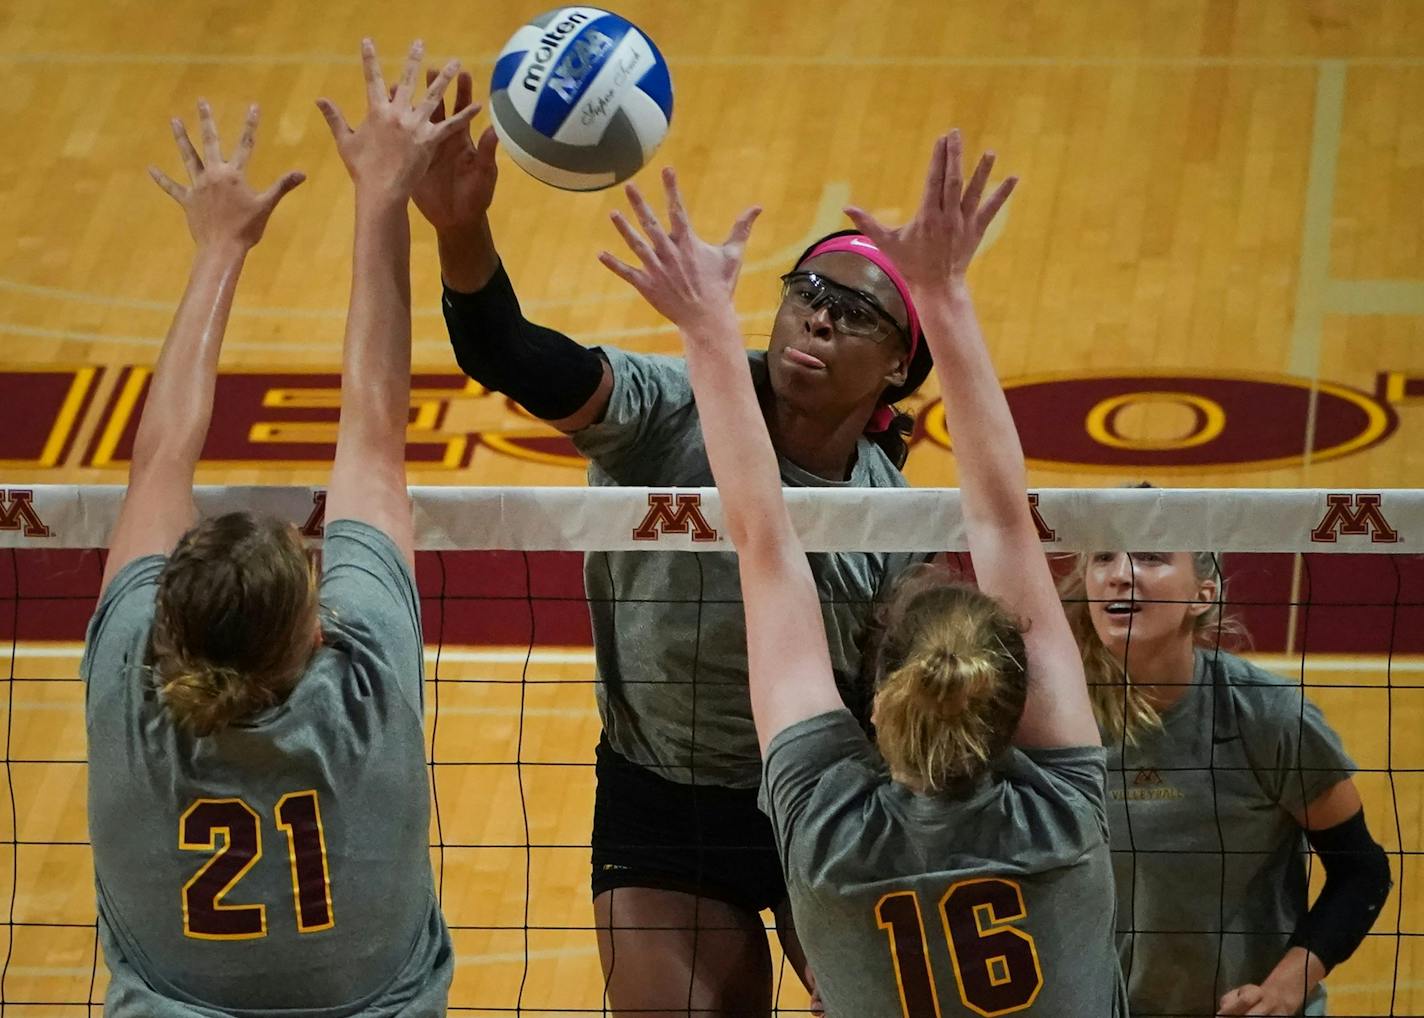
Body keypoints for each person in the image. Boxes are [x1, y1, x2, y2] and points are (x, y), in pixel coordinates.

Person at [414, 74, 936, 1014]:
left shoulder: (888, 517)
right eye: (807, 291)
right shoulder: (671, 408)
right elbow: (511, 354)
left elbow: (900, 707)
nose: (818, 315)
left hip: (824, 795)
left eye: (854, 312)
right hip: (665, 800)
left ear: (899, 362)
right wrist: (460, 228)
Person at [598, 131, 1127, 1015]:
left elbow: (765, 545)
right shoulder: (1061, 813)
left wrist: (707, 332)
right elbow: (1002, 520)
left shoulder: (826, 827)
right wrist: (946, 296)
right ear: (1011, 694)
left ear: (876, 697)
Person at [82, 40, 476, 1015]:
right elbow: (375, 434)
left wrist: (217, 250)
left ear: (164, 624)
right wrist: (383, 195)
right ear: (314, 630)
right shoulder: (366, 683)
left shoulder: (129, 674)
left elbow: (156, 459)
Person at [1060, 544, 1392, 1016]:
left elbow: (1363, 872)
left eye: (1151, 557)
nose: (1120, 573)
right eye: (1103, 557)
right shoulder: (1057, 722)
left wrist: (1282, 991)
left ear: (1202, 594)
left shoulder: (1268, 716)